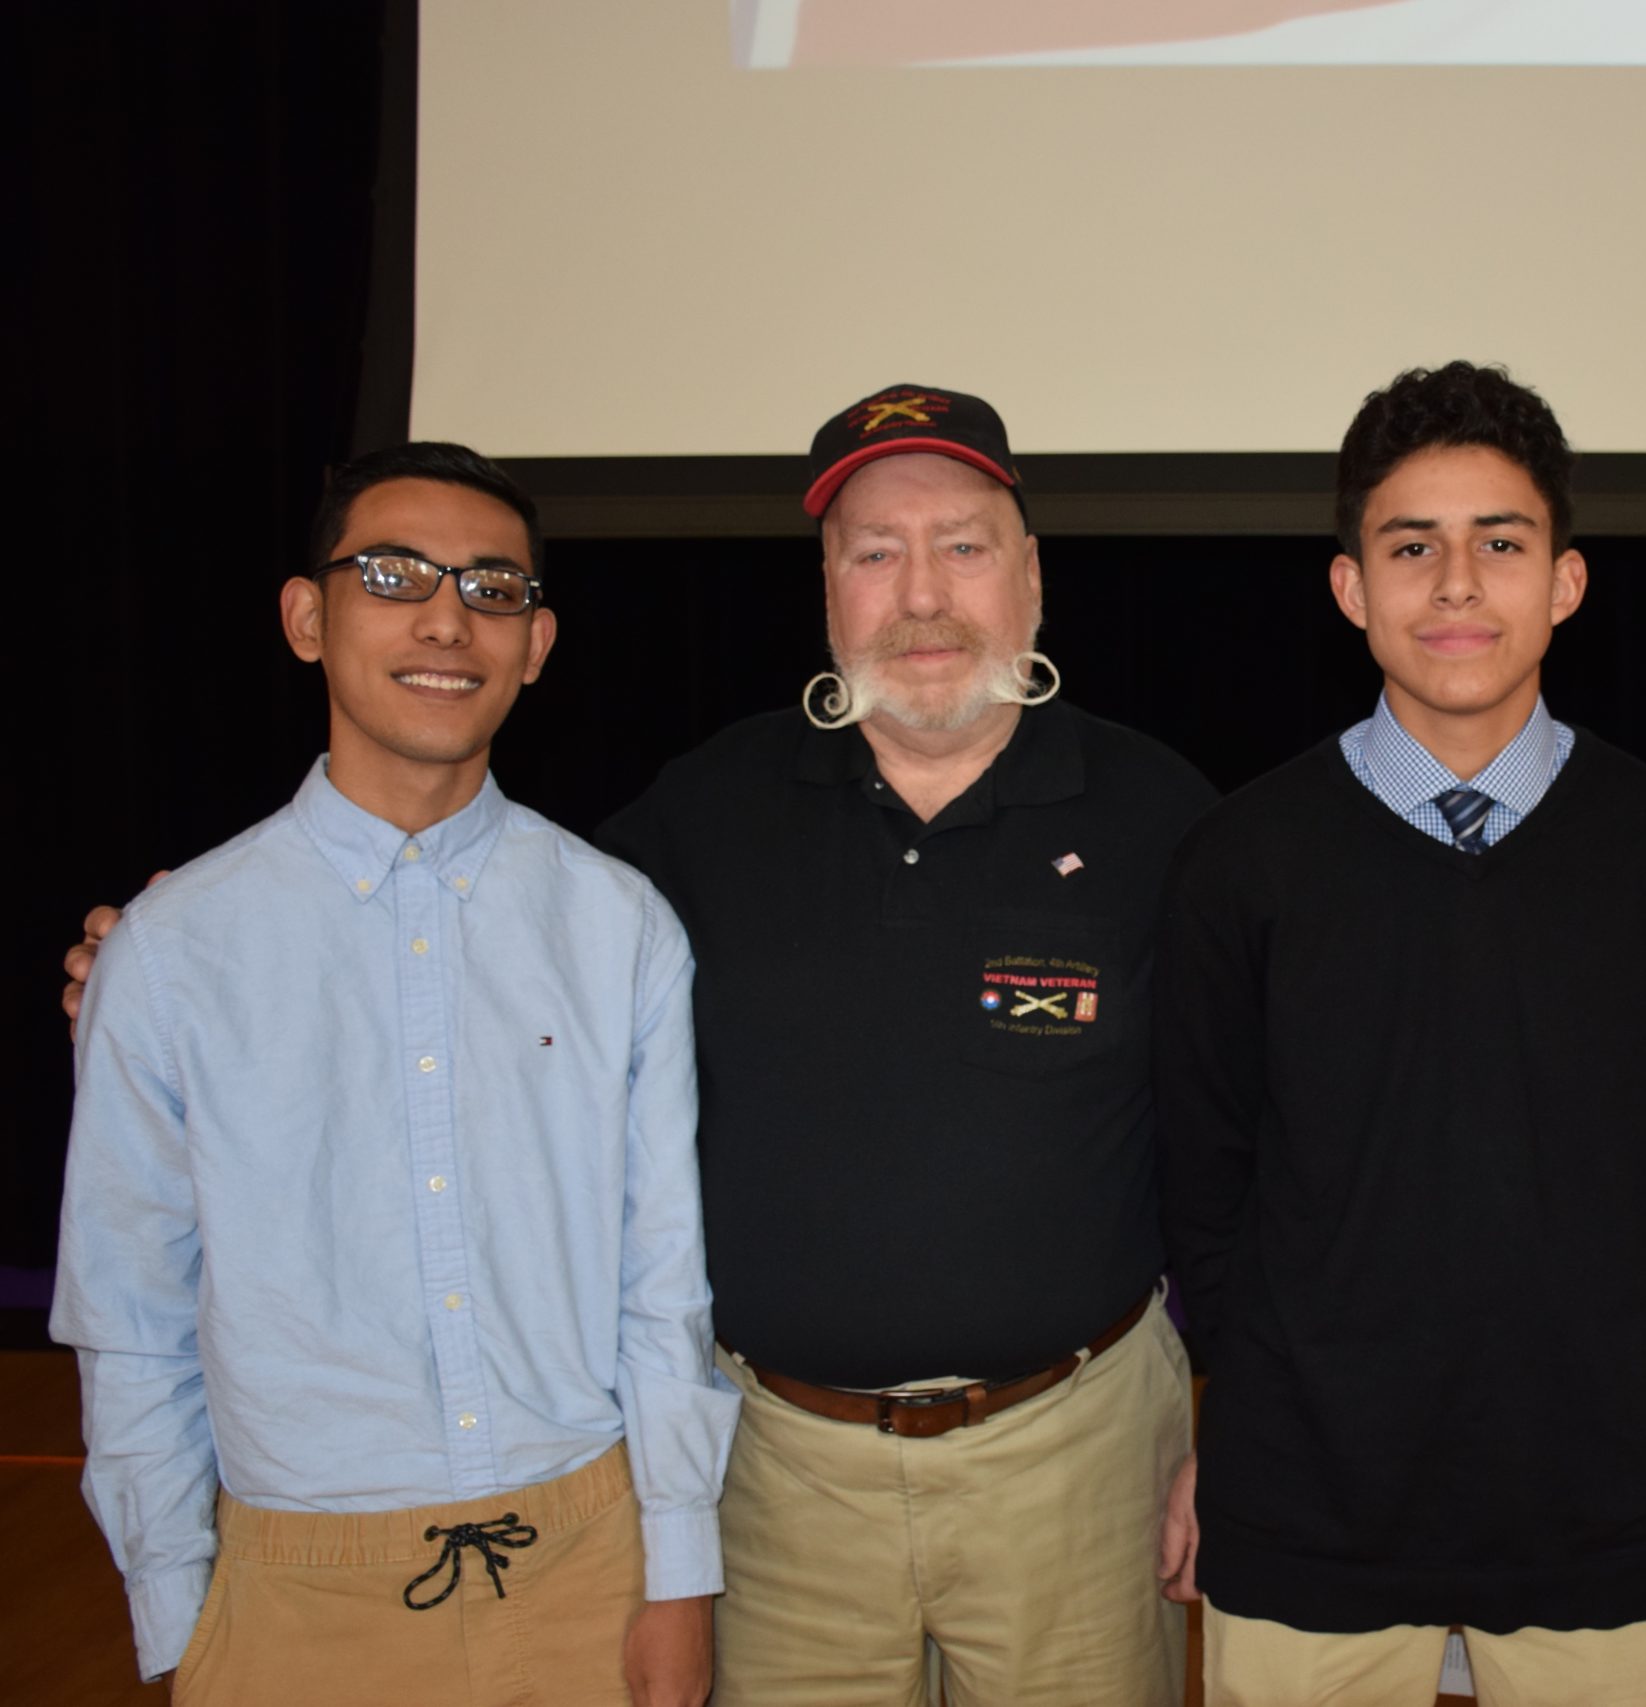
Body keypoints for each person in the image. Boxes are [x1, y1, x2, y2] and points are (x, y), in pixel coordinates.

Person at [62, 386, 1216, 1704]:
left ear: (1030, 576)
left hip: (1075, 1457)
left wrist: (1231, 1438)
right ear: (828, 591)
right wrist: (163, 957)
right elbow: (472, 937)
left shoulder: (1165, 818)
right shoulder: (703, 815)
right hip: (780, 1484)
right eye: (873, 553)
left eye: (962, 544)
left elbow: (1255, 1139)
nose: (922, 593)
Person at [52, 443, 738, 1706]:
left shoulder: (616, 924)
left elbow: (663, 1283)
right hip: (295, 1597)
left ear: (535, 645)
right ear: (309, 618)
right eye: (395, 575)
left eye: (493, 589)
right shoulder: (174, 949)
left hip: (589, 1568)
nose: (446, 619)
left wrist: (679, 1573)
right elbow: (130, 1316)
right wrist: (177, 1618)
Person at [1153, 361, 1646, 1705]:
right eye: (1412, 547)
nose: (1459, 584)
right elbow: (1207, 1175)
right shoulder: (1240, 858)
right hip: (1310, 1509)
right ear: (1352, 587)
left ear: (1568, 581)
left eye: (1502, 543)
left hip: (1598, 1505)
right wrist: (1287, 1400)